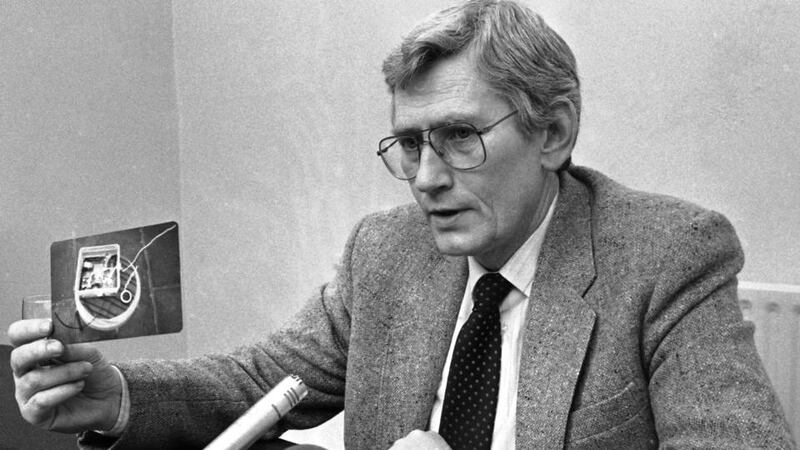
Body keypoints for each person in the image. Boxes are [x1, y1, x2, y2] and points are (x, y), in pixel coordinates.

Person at [7, 1, 795, 448]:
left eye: (459, 137)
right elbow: (257, 383)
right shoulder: (386, 252)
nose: (425, 180)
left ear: (553, 133)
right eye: (411, 143)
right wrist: (111, 395)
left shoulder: (669, 254)